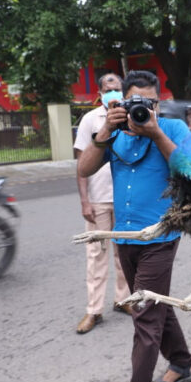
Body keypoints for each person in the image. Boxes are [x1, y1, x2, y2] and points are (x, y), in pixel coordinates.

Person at [78, 70, 191, 382]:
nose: (143, 108)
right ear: (120, 102)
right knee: (154, 305)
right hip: (124, 237)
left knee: (143, 313)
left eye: (150, 102)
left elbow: (190, 170)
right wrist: (104, 133)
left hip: (160, 235)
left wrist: (155, 131)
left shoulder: (173, 129)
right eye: (134, 103)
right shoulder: (112, 132)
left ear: (158, 102)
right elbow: (84, 168)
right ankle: (182, 363)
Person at [72, 72, 131, 334]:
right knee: (96, 256)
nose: (114, 93)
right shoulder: (89, 120)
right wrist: (85, 201)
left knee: (125, 255)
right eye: (109, 89)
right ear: (100, 92)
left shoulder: (132, 117)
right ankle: (94, 310)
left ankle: (123, 299)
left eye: (118, 88)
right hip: (98, 200)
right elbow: (80, 164)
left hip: (124, 199)